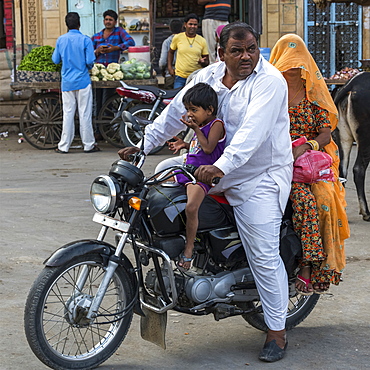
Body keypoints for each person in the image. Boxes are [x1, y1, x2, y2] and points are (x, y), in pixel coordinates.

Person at [119, 22, 293, 362]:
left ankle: (277, 331)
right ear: (220, 53)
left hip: (257, 175)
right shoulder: (208, 77)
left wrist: (222, 167)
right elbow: (173, 115)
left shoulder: (269, 82)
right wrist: (142, 146)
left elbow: (251, 136)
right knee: (158, 178)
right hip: (212, 165)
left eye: (252, 49)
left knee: (262, 253)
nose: (247, 57)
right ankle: (185, 259)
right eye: (237, 51)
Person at [269, 34, 350, 295]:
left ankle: (314, 268)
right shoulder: (270, 90)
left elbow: (326, 133)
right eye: (288, 61)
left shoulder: (312, 92)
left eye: (297, 61)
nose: (293, 67)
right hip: (274, 160)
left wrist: (307, 146)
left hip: (307, 163)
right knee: (301, 199)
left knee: (325, 200)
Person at [168, 83, 226, 269]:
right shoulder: (200, 125)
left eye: (194, 109)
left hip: (201, 176)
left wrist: (196, 130)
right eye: (187, 109)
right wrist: (184, 145)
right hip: (187, 170)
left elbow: (208, 148)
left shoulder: (216, 124)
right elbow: (198, 148)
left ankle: (189, 249)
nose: (190, 114)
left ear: (209, 110)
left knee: (191, 207)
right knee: (157, 185)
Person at [52, 12, 99, 154]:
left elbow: (55, 60)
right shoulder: (85, 40)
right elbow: (90, 61)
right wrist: (88, 68)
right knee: (85, 113)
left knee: (68, 113)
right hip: (83, 81)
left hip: (67, 82)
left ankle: (64, 146)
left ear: (67, 25)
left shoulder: (61, 40)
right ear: (79, 24)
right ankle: (88, 144)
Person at [91, 9, 135, 136]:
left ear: (115, 22)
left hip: (112, 73)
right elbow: (89, 52)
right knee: (97, 101)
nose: (108, 22)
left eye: (110, 20)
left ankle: (108, 129)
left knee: (108, 101)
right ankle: (98, 130)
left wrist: (116, 48)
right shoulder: (97, 36)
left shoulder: (119, 32)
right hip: (98, 73)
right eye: (106, 19)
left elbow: (130, 42)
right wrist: (98, 50)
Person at [168, 13, 209, 89]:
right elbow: (171, 52)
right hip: (180, 76)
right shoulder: (178, 37)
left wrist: (203, 62)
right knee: (177, 98)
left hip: (196, 77)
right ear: (185, 24)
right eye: (190, 24)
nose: (192, 27)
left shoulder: (202, 40)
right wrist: (170, 68)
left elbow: (207, 61)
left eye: (195, 25)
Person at [158, 20, 183, 89]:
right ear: (182, 28)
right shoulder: (185, 41)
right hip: (183, 74)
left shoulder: (167, 42)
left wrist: (163, 71)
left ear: (170, 28)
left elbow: (162, 62)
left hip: (170, 75)